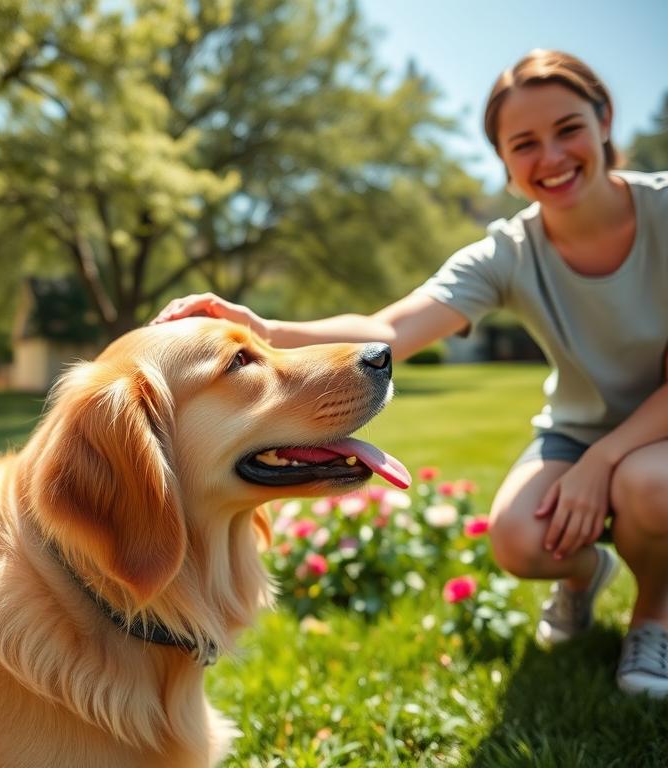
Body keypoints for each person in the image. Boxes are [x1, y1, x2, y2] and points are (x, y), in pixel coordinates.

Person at [153, 49, 668, 697]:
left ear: (604, 121)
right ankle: (582, 577)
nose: (552, 157)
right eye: (524, 143)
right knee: (516, 540)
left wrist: (605, 463)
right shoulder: (507, 252)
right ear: (505, 163)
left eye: (568, 129)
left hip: (656, 442)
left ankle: (654, 616)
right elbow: (390, 331)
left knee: (650, 484)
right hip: (577, 431)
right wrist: (268, 331)